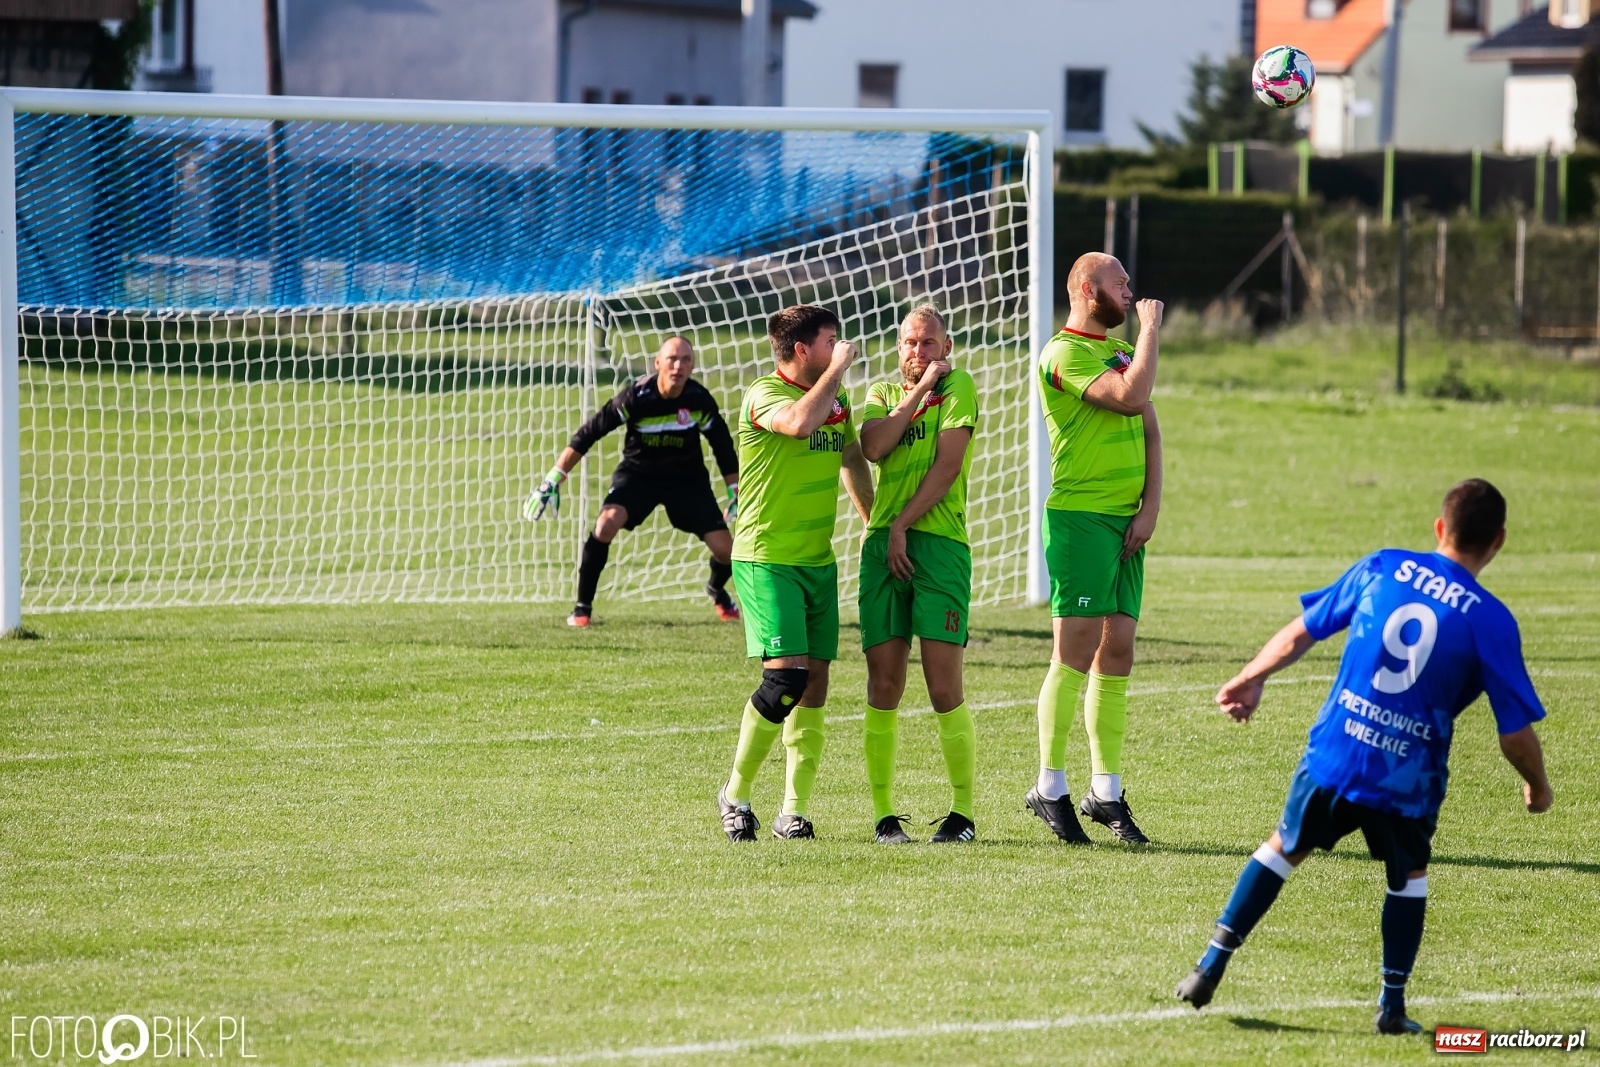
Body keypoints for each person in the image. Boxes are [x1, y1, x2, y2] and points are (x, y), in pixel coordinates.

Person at [1175, 479, 1553, 1036]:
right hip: (1408, 776)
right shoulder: (1491, 621)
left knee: (1284, 848)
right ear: (1498, 541)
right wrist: (1538, 785)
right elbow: (1514, 734)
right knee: (1408, 878)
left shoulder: (1385, 567)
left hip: (1339, 750)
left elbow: (1303, 632)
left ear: (1440, 528)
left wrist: (1251, 677)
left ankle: (1210, 964)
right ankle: (1391, 1006)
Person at [716, 305, 874, 842]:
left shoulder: (837, 397)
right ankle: (735, 795)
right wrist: (839, 370)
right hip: (766, 557)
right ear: (803, 350)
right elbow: (799, 423)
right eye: (832, 341)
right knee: (785, 680)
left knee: (815, 686)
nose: (842, 347)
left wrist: (872, 521)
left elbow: (851, 456)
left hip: (816, 561)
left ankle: (794, 811)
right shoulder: (766, 394)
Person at [1026, 252, 1164, 845]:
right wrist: (1154, 329)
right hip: (1081, 518)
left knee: (1120, 650)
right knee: (1075, 649)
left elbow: (1150, 425)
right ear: (1087, 289)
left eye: (1130, 282)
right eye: (1119, 282)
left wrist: (1151, 505)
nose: (1130, 290)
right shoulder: (1062, 353)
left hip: (1127, 522)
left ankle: (1105, 791)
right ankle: (1049, 785)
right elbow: (1131, 398)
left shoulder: (1120, 352)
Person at [857, 305, 980, 844]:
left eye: (929, 343)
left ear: (946, 347)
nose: (918, 352)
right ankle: (885, 815)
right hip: (882, 548)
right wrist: (916, 390)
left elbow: (948, 465)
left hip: (939, 546)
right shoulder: (884, 395)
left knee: (942, 686)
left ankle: (962, 814)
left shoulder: (961, 389)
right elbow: (874, 447)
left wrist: (905, 524)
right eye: (909, 343)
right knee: (883, 684)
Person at [525, 336, 739, 627]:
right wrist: (554, 477)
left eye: (685, 359)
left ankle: (716, 590)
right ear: (658, 363)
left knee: (727, 550)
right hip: (639, 475)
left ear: (692, 365)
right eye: (672, 359)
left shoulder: (699, 400)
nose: (678, 365)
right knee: (605, 524)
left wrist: (734, 490)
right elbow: (590, 432)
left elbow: (723, 446)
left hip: (686, 480)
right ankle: (582, 608)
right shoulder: (636, 397)